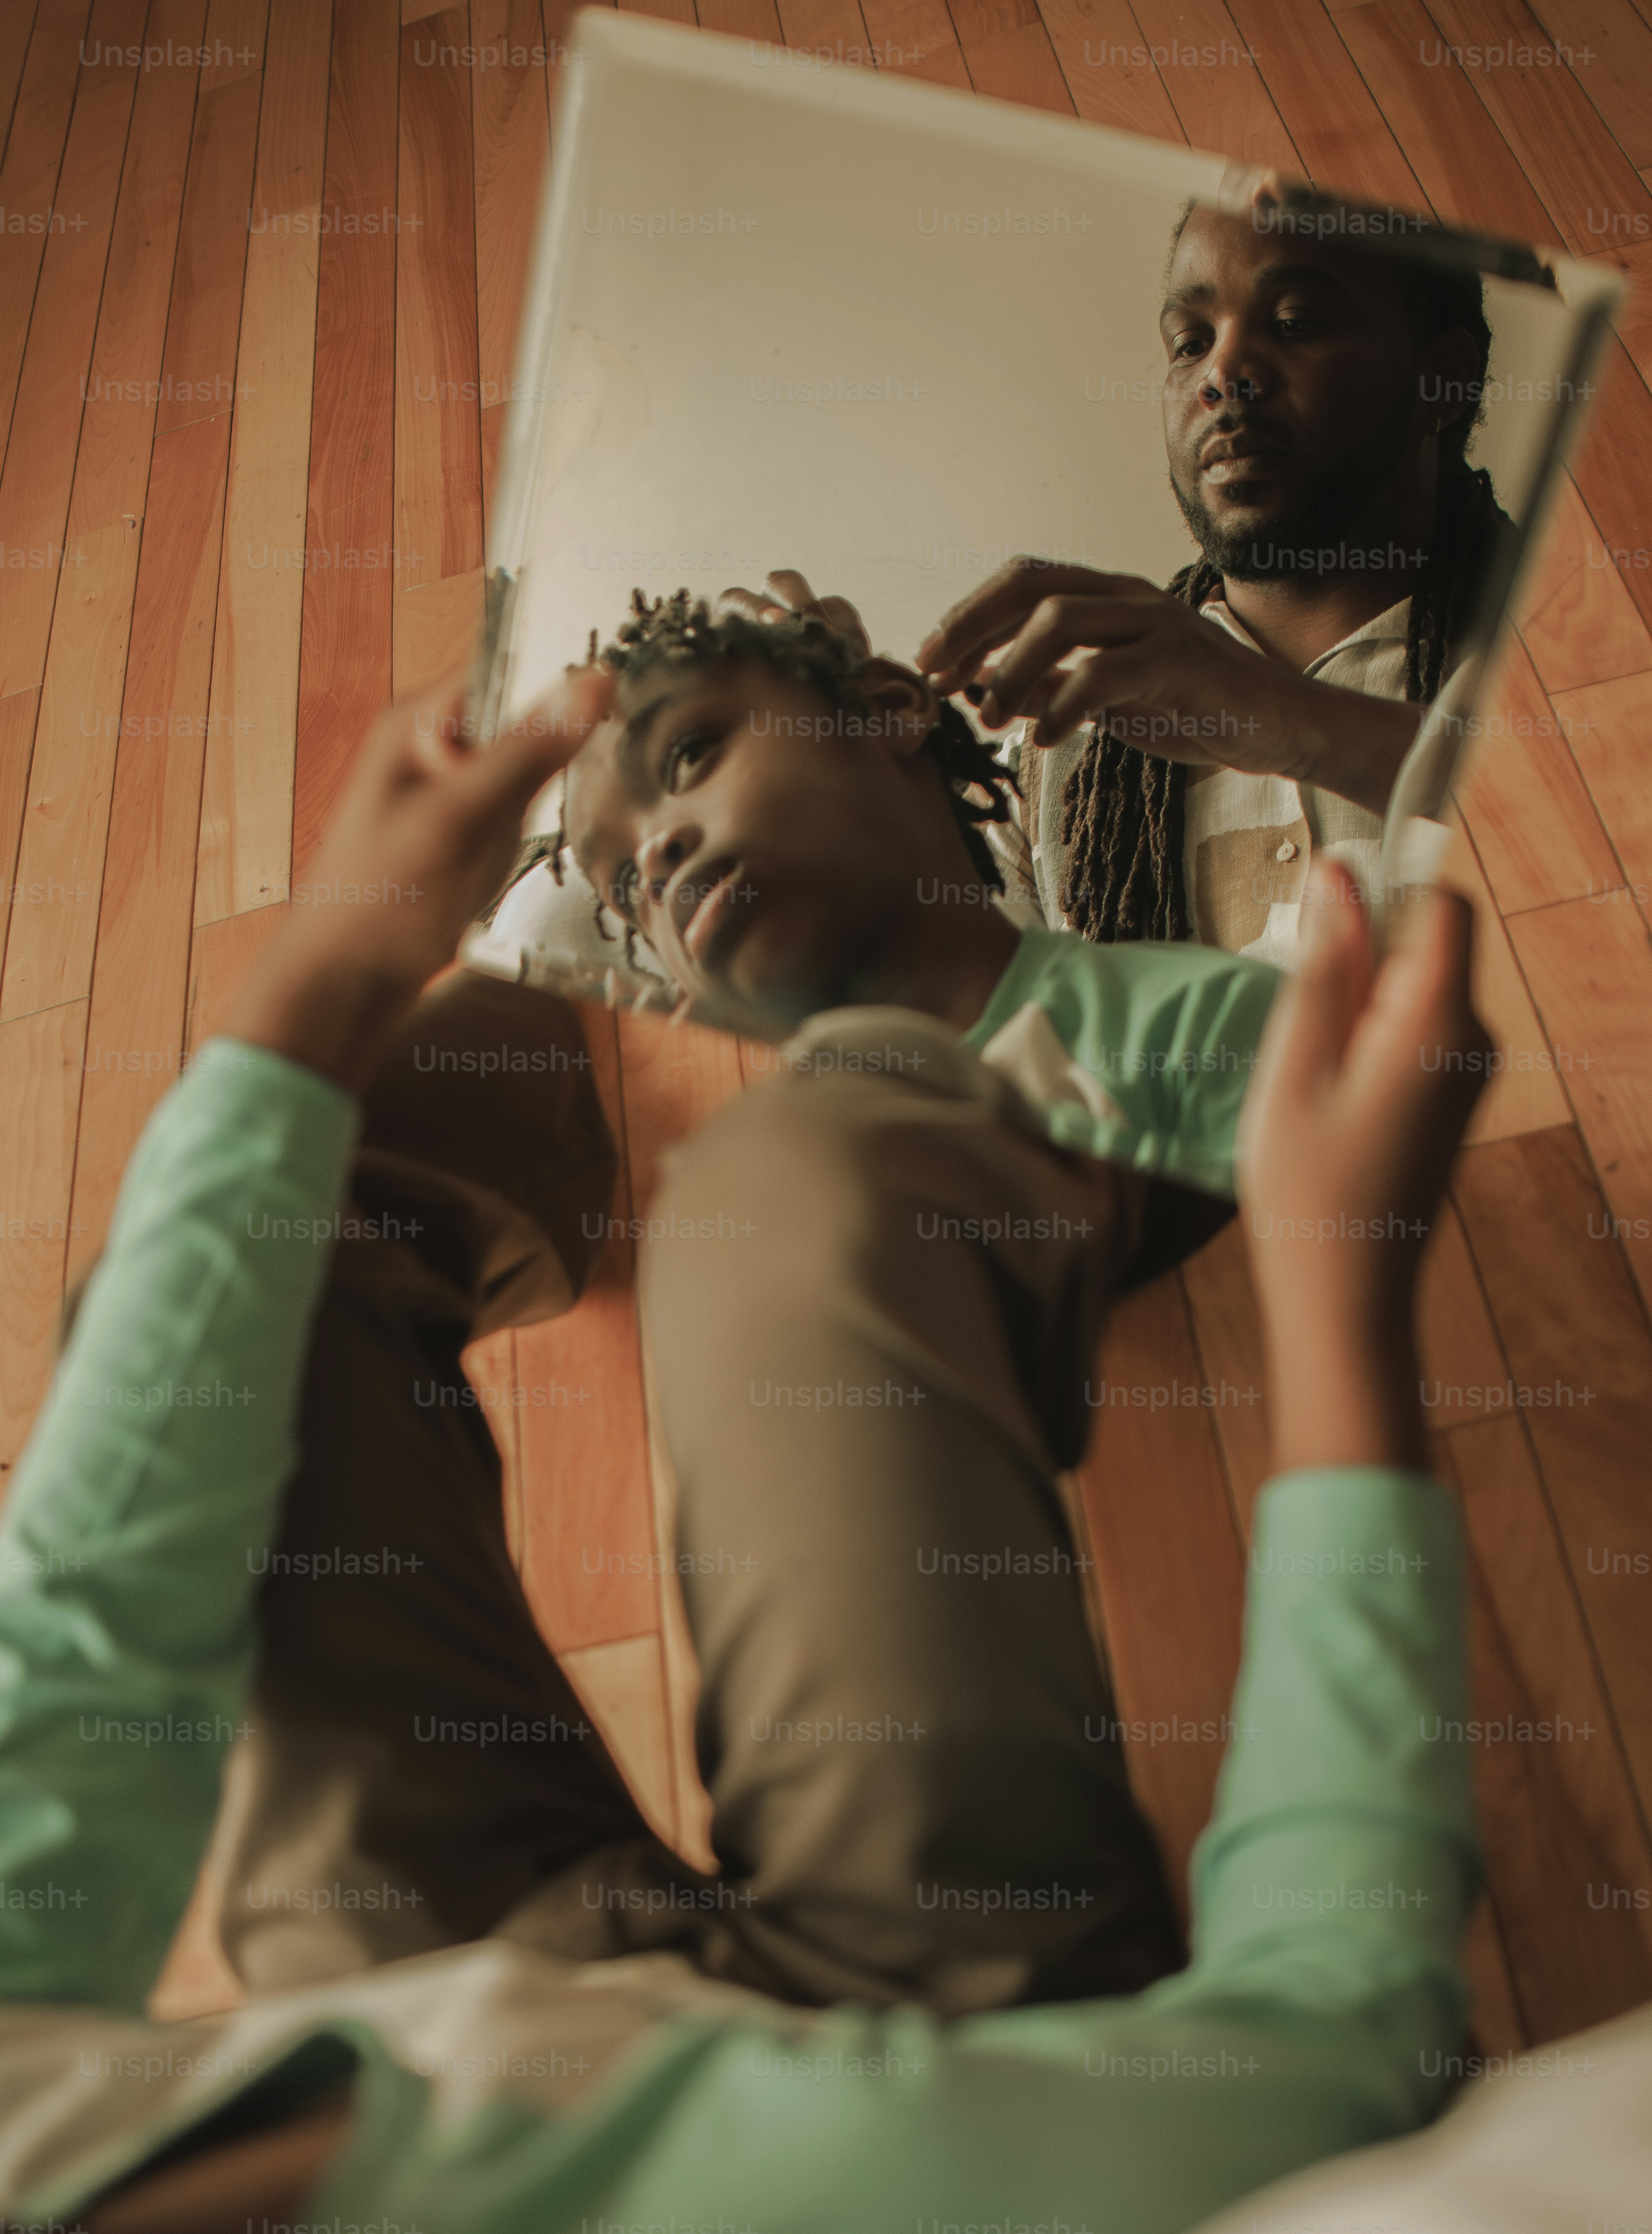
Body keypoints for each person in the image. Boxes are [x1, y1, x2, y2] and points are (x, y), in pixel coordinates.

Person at [1, 627, 1493, 2232]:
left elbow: (81, 1631)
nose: (663, 852)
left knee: (236, 1292)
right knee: (807, 1168)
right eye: (625, 873)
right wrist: (1344, 1311)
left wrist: (318, 985)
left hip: (454, 1990)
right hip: (934, 2077)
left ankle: (529, 1070)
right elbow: (1338, 2033)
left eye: (696, 759)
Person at [729, 175, 1516, 966]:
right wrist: (850, 788)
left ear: (1439, 382)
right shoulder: (1058, 755)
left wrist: (1296, 725)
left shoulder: (1567, 659)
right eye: (1189, 342)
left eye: (1295, 322)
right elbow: (976, 1020)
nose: (1224, 372)